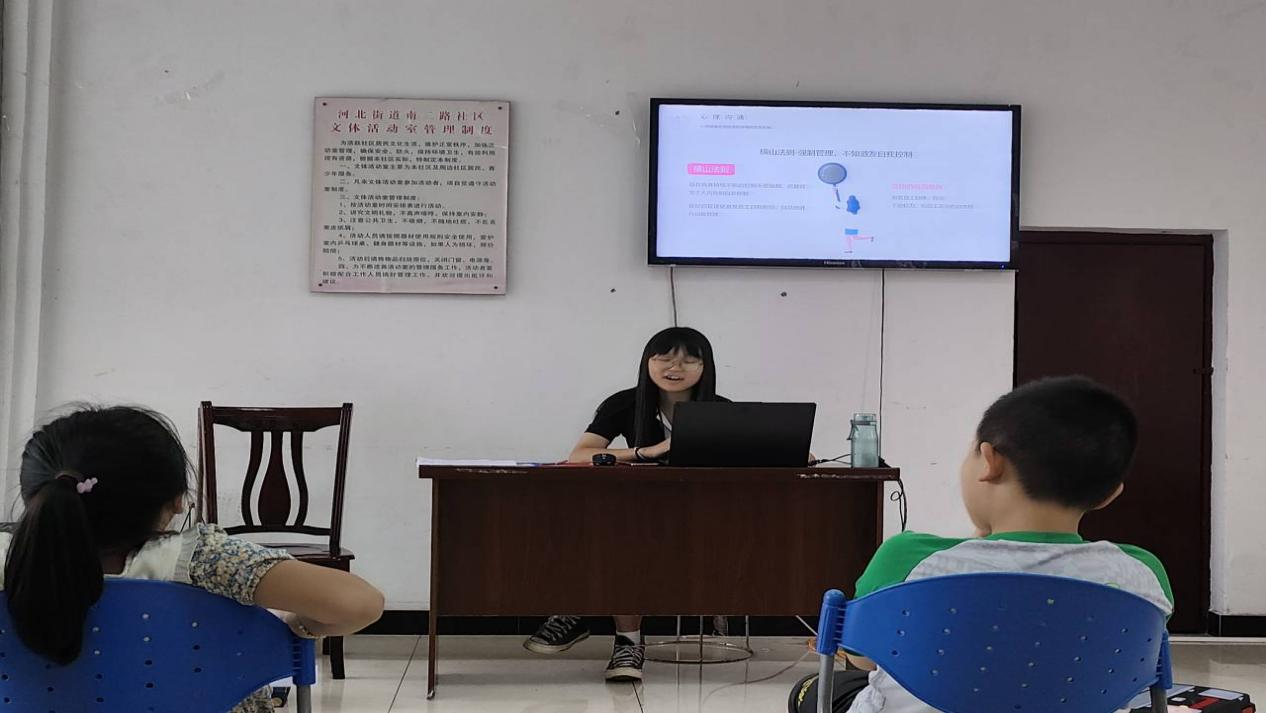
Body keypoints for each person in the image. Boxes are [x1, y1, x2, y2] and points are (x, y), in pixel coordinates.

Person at [790, 376, 1173, 713]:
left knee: (813, 690)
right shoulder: (1143, 572)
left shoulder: (909, 556)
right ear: (1109, 494)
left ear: (990, 461)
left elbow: (863, 661)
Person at [1, 406, 385, 713]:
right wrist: (298, 626)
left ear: (34, 496)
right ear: (175, 502)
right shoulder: (201, 560)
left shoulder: (6, 562)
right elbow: (360, 604)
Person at [523, 326, 726, 682]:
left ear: (704, 367)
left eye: (688, 360)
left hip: (701, 513)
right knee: (614, 533)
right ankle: (624, 639)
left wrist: (790, 451)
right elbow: (579, 455)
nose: (674, 367)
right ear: (647, 362)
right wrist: (644, 452)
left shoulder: (721, 410)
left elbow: (756, 453)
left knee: (623, 535)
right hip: (637, 511)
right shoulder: (625, 403)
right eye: (664, 358)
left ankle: (579, 607)